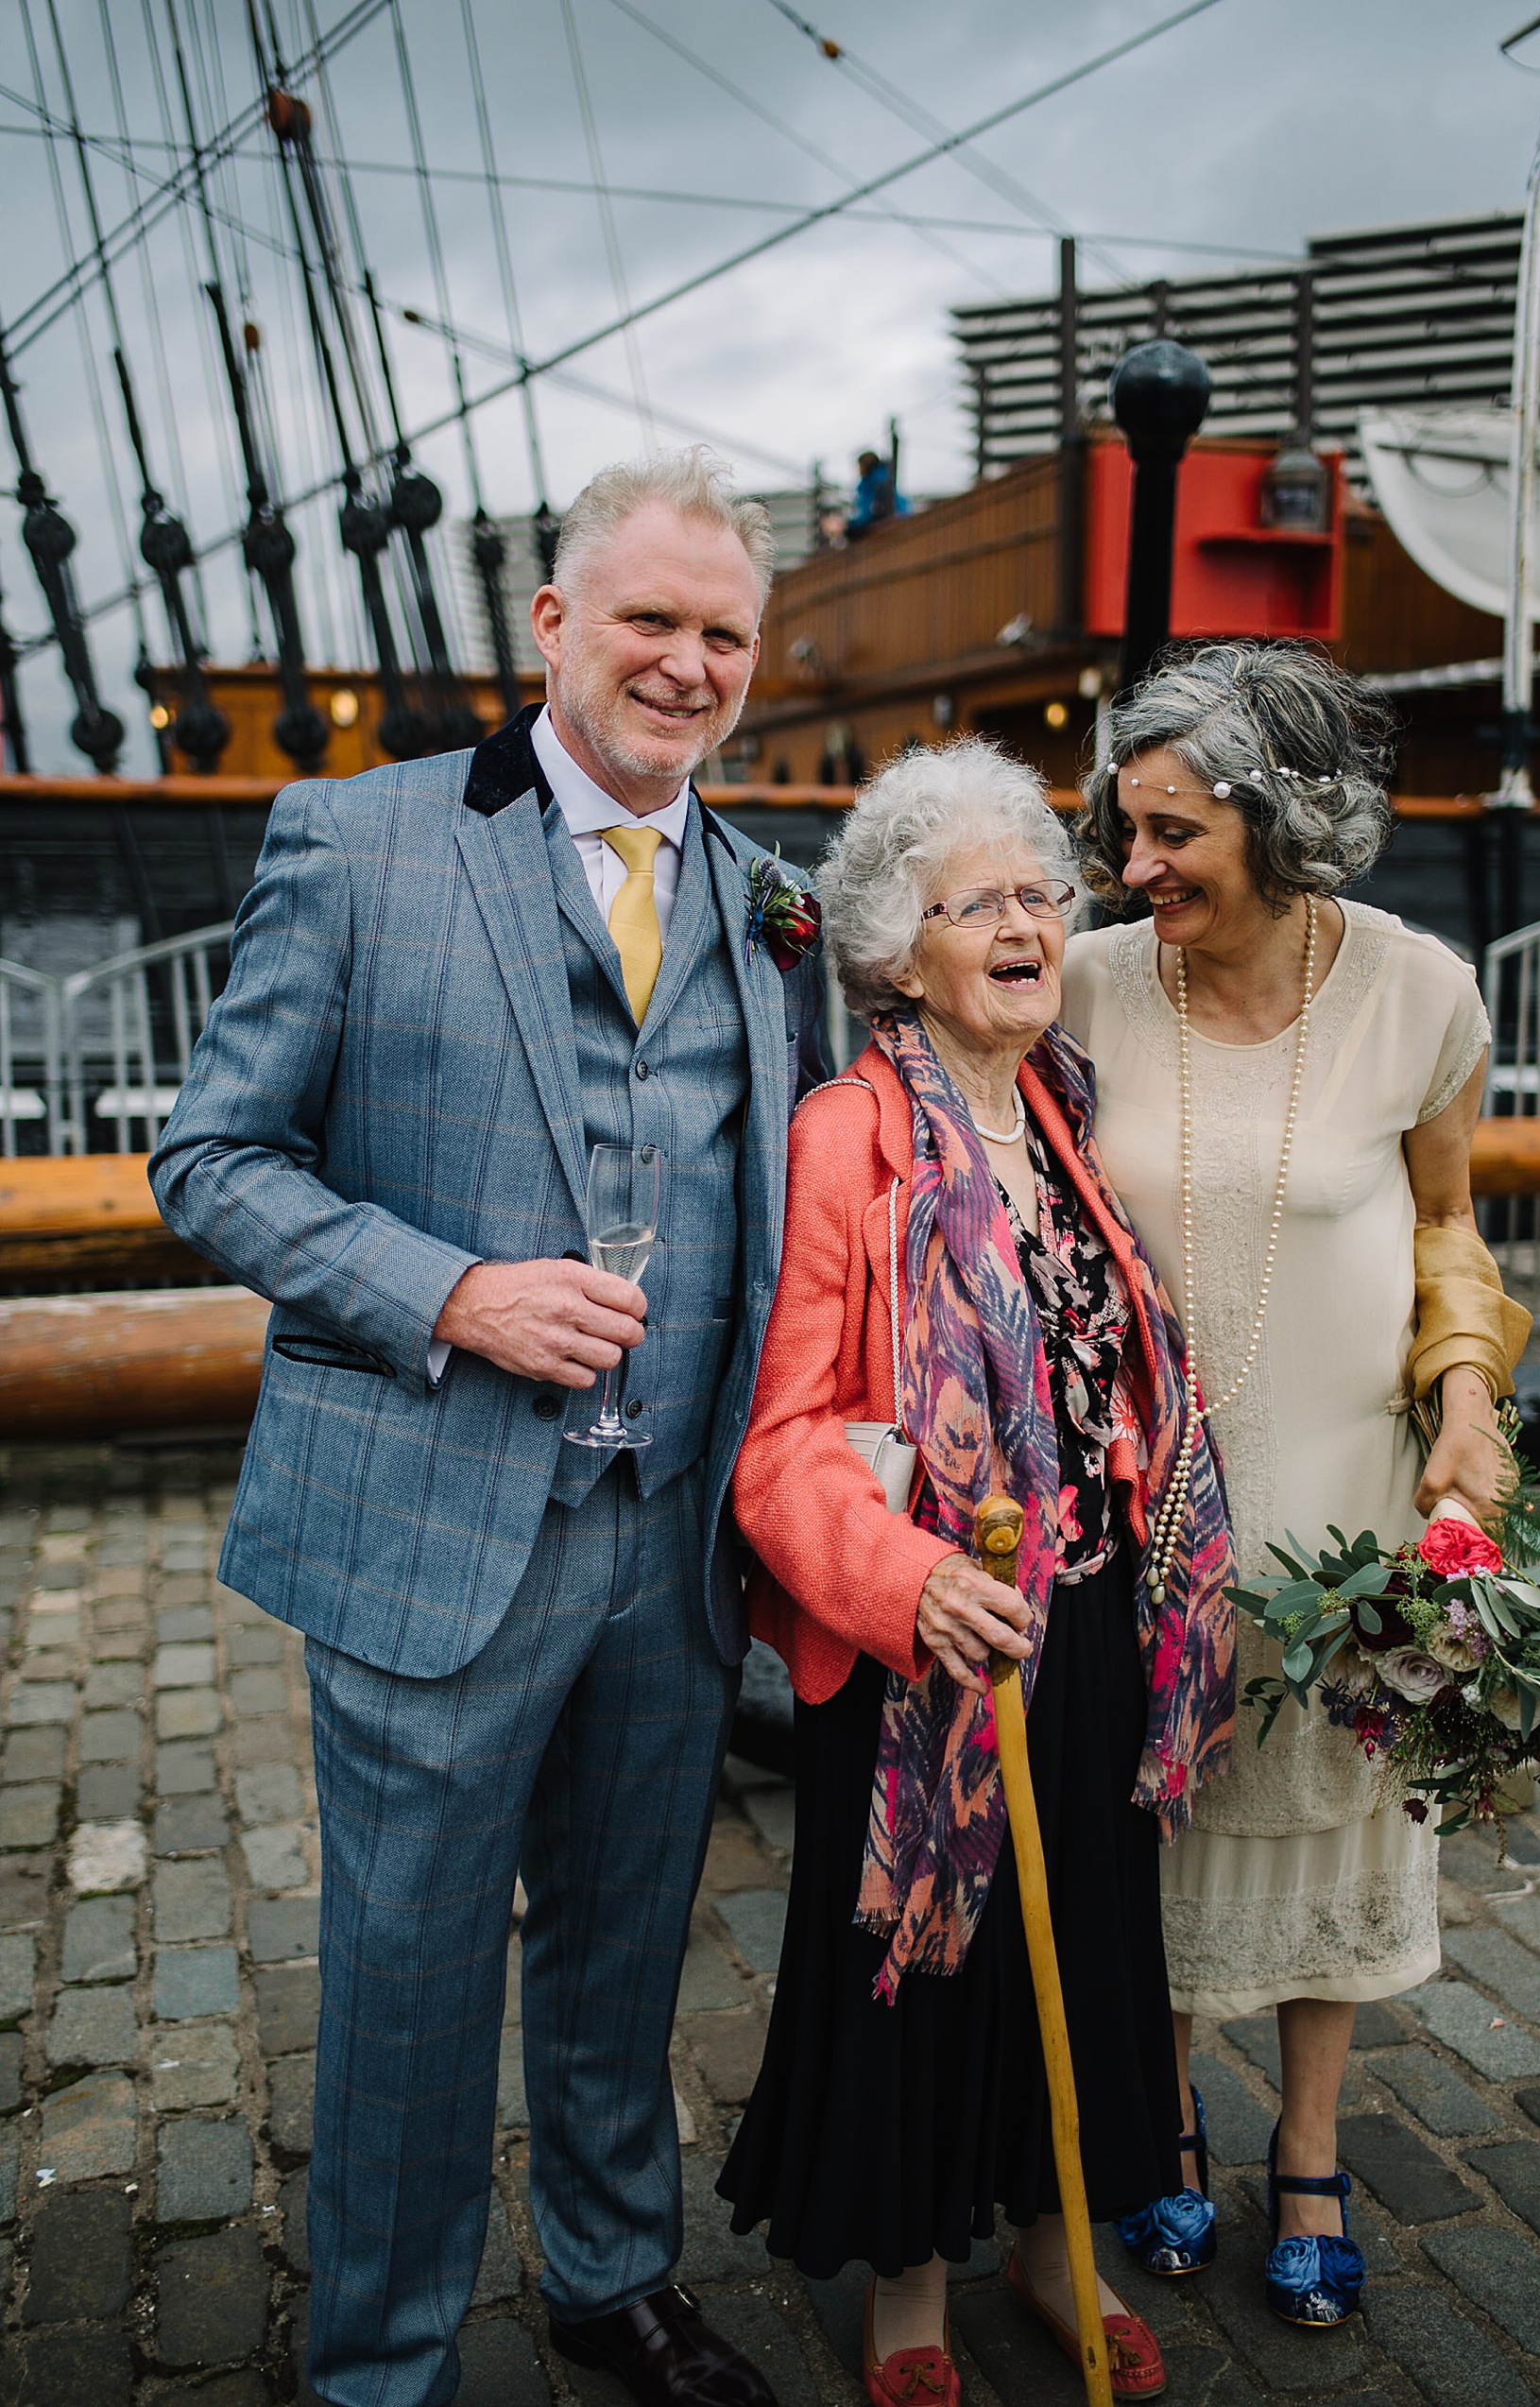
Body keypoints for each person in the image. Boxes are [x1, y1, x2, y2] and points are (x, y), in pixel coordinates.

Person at [149, 448, 830, 2407]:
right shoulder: (353, 841)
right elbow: (211, 1158)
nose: (686, 664)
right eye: (649, 620)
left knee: (627, 1951)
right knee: (410, 1975)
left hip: (671, 1539)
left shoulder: (778, 907)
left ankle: (614, 2277)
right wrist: (446, 1288)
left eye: (722, 635)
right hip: (430, 1524)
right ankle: (379, 2359)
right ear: (550, 624)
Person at [716, 739, 1238, 2406]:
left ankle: (1056, 2238)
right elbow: (781, 1438)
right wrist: (904, 1581)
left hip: (1087, 1614)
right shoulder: (845, 1138)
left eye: (1039, 892)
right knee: (930, 1957)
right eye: (977, 903)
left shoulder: (1073, 1110)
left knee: (1079, 1937)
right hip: (929, 1641)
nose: (1023, 923)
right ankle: (916, 2289)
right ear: (897, 947)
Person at [1061, 640, 1529, 2330]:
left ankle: (1313, 2147)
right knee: (1158, 1825)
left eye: (1175, 832)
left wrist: (1470, 1397)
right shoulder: (1091, 981)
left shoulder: (1423, 992)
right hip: (1141, 1512)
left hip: (1350, 1505)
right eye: (1126, 830)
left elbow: (1447, 1228)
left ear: (1284, 818)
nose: (1135, 868)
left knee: (1331, 1808)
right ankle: (1166, 2121)